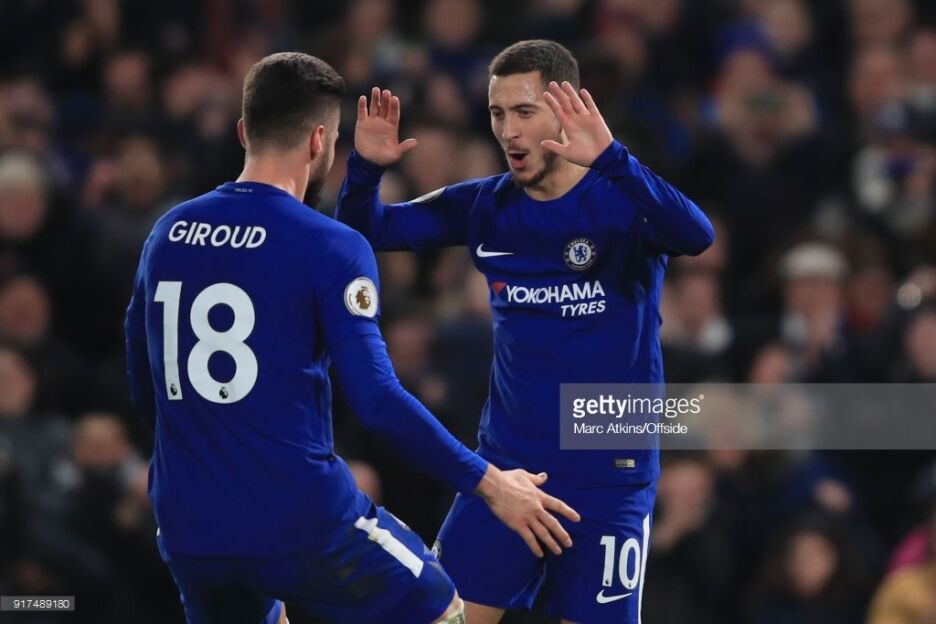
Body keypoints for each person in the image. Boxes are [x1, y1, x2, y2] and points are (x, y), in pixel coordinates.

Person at [124, 51, 579, 624]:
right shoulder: (328, 245)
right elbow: (376, 399)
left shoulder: (168, 232)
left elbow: (144, 382)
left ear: (243, 131)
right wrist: (489, 483)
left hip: (188, 521)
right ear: (320, 142)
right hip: (300, 518)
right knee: (443, 609)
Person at [337, 39, 714, 623]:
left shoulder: (622, 198)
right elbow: (368, 233)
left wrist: (613, 158)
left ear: (565, 110)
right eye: (497, 113)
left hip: (608, 479)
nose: (508, 131)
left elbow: (697, 236)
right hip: (507, 475)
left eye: (523, 111)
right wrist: (364, 171)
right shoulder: (484, 205)